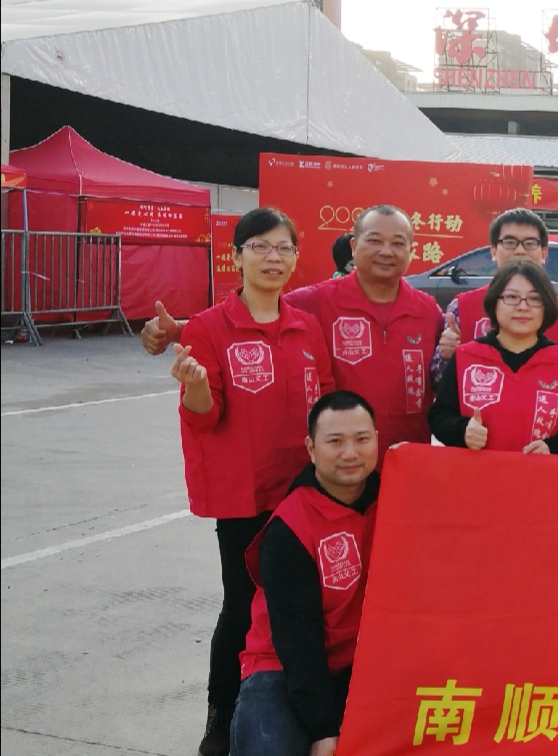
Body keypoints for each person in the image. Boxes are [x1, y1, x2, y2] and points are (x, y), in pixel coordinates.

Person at [171, 207, 335, 756]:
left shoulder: (306, 326)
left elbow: (325, 406)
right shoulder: (209, 328)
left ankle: (300, 708)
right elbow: (202, 414)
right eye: (260, 247)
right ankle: (221, 719)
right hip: (246, 496)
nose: (273, 258)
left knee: (305, 605)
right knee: (241, 606)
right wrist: (194, 384)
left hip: (306, 492)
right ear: (237, 256)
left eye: (283, 248)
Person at [143, 205, 443, 451]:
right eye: (374, 240)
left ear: (412, 250)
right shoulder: (316, 301)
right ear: (354, 246)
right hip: (341, 464)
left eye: (398, 243)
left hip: (408, 457)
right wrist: (179, 330)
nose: (386, 251)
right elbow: (254, 314)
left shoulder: (428, 310)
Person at [232, 390, 380, 756]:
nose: (350, 453)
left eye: (362, 439)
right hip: (283, 666)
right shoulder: (289, 529)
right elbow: (298, 644)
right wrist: (323, 728)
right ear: (311, 449)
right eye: (335, 442)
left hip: (365, 663)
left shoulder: (395, 497)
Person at [429, 259, 558, 454]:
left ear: (546, 306)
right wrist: (462, 431)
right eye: (512, 297)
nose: (523, 307)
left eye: (534, 299)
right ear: (494, 303)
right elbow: (439, 416)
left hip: (543, 479)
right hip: (475, 478)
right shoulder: (467, 357)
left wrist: (553, 448)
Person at [432, 207, 558, 383]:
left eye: (530, 243)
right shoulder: (461, 307)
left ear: (544, 253)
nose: (519, 251)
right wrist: (446, 357)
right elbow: (437, 380)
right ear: (493, 251)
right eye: (510, 242)